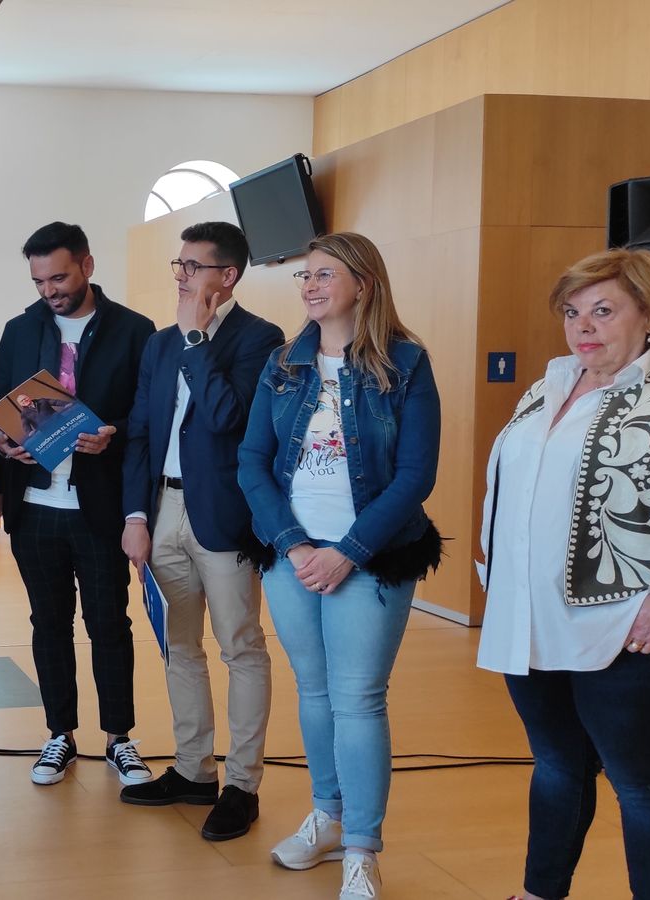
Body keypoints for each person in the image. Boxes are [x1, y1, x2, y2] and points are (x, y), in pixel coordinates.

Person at [477, 249, 650, 900]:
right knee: (555, 766)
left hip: (633, 632)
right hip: (533, 626)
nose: (584, 326)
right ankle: (540, 892)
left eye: (605, 311)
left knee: (642, 784)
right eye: (573, 312)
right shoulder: (544, 389)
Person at [238, 231, 441, 900]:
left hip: (371, 558)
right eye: (306, 276)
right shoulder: (283, 365)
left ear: (364, 284)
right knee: (315, 691)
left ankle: (362, 848)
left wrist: (348, 551)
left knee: (358, 699)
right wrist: (295, 544)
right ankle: (326, 818)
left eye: (326, 274)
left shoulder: (406, 364)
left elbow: (415, 475)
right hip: (292, 554)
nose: (311, 286)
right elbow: (252, 463)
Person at [120, 222, 283, 842]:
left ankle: (242, 784)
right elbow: (140, 433)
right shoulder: (158, 346)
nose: (181, 275)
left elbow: (227, 417)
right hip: (162, 512)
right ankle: (194, 769)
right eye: (179, 264)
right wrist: (135, 517)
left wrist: (195, 339)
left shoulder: (260, 339)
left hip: (224, 517)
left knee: (240, 646)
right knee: (178, 644)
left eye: (193, 266)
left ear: (228, 276)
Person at [0, 221, 156, 789]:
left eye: (58, 276)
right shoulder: (18, 331)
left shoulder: (135, 332)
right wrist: (1, 440)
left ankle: (120, 738)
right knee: (48, 623)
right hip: (34, 504)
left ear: (88, 265)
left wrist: (113, 431)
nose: (49, 290)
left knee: (109, 622)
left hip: (100, 505)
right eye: (39, 280)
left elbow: (149, 417)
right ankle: (59, 733)